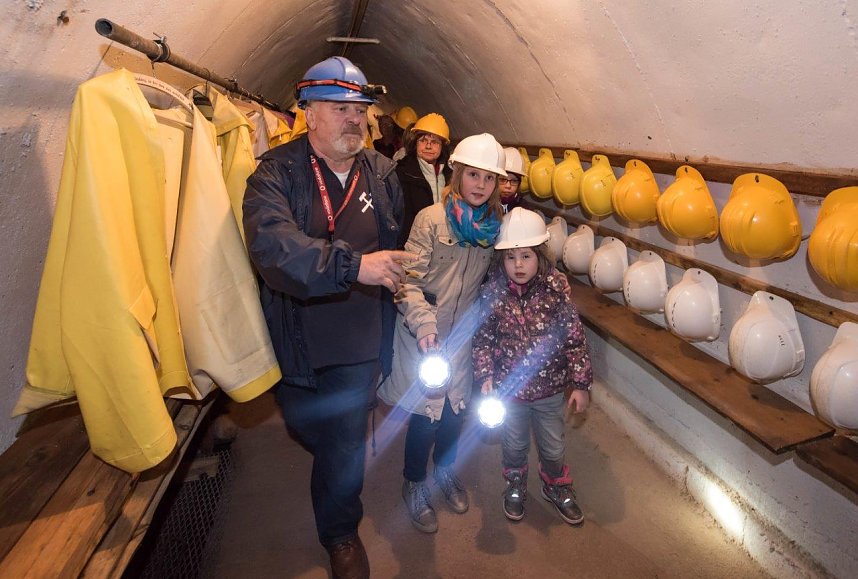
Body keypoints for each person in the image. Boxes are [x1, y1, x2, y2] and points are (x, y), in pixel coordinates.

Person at [242, 56, 414, 579]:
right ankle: (334, 464)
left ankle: (340, 533)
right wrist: (354, 266)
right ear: (308, 113)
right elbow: (273, 248)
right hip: (297, 335)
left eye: (360, 110)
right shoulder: (276, 174)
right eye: (340, 109)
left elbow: (394, 243)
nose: (354, 119)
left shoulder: (382, 174)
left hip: (359, 339)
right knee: (304, 424)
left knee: (343, 441)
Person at [378, 133, 507, 533]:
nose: (480, 185)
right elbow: (407, 281)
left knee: (456, 411)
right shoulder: (432, 219)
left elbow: (512, 271)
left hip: (462, 336)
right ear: (457, 173)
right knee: (427, 414)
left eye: (489, 178)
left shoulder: (494, 227)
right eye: (473, 174)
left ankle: (445, 469)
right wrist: (424, 325)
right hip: (425, 332)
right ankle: (414, 481)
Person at [472, 207, 593, 525]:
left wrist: (580, 384)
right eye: (510, 258)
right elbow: (483, 339)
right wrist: (485, 376)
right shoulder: (493, 294)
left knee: (553, 447)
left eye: (526, 256)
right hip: (509, 393)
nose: (518, 265)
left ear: (540, 255)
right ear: (501, 260)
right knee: (514, 446)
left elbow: (575, 339)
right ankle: (515, 483)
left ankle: (556, 485)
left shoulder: (556, 293)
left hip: (549, 391)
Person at [396, 113, 452, 246]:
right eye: (423, 140)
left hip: (443, 242)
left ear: (442, 146)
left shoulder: (451, 175)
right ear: (415, 143)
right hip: (413, 243)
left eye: (435, 142)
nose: (428, 146)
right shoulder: (402, 173)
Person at [498, 146, 527, 213]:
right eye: (502, 180)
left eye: (514, 181)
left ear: (519, 184)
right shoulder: (484, 206)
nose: (508, 186)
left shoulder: (524, 209)